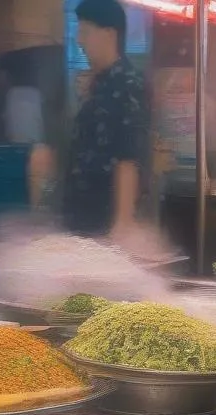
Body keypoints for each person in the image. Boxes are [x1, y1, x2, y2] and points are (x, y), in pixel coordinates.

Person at [63, 0, 149, 239]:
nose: (79, 41)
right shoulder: (97, 83)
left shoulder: (127, 84)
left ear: (109, 34)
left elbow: (128, 156)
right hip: (82, 224)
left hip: (105, 227)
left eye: (85, 32)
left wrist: (123, 221)